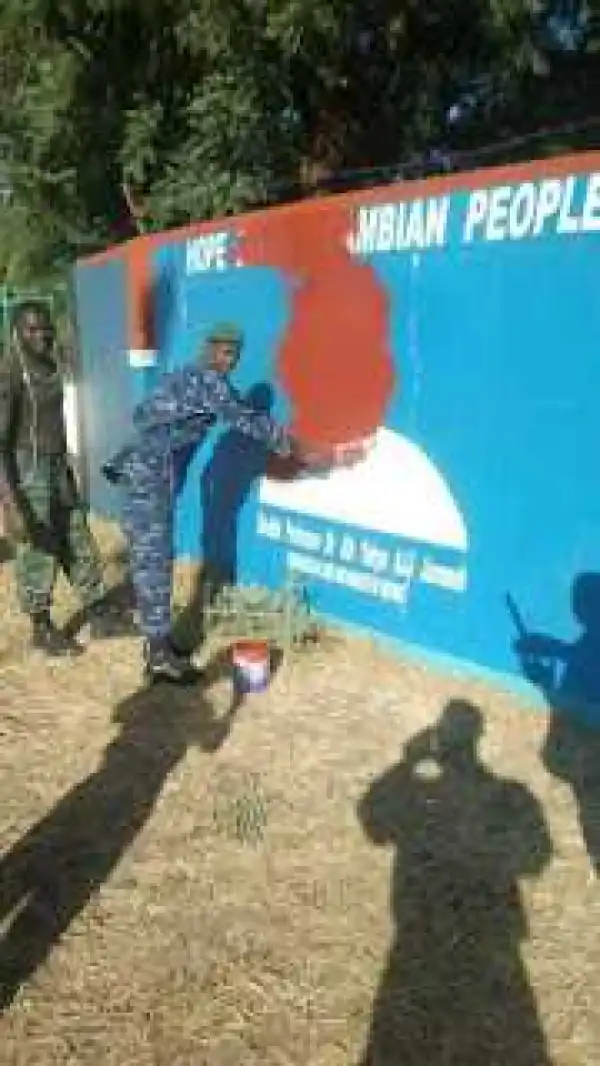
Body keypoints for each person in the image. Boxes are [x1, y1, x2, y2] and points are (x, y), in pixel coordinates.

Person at [103, 322, 307, 685]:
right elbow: (244, 416)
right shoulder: (208, 381)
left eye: (235, 355)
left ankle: (157, 643)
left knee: (154, 559)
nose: (230, 362)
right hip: (151, 475)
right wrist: (292, 447)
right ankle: (159, 656)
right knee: (155, 562)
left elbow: (145, 414)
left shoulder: (187, 374)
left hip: (141, 470)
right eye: (226, 353)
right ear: (210, 349)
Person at [0, 300, 107, 656]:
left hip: (57, 465)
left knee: (77, 536)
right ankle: (41, 628)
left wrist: (68, 463)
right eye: (31, 328)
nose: (41, 333)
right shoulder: (10, 374)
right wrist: (10, 504)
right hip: (27, 470)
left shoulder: (50, 363)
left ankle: (99, 612)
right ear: (16, 331)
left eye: (45, 326)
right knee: (39, 548)